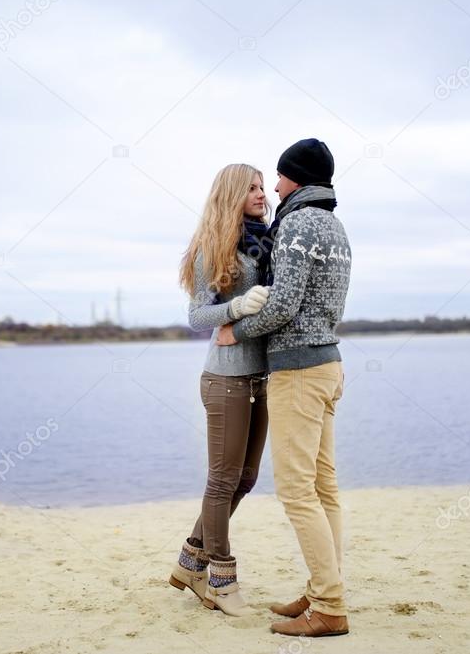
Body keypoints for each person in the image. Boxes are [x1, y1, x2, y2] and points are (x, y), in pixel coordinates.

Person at [216, 138, 352, 637]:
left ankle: (331, 606)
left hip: (297, 372)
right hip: (329, 364)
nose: (273, 187)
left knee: (297, 492)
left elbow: (284, 303)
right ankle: (324, 589)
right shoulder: (335, 225)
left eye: (277, 177)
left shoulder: (295, 224)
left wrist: (236, 329)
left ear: (295, 177)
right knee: (323, 488)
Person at [168, 163, 272, 617]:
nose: (261, 193)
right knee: (223, 480)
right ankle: (220, 582)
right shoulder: (212, 248)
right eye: (251, 187)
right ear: (231, 192)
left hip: (262, 377)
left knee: (245, 480)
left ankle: (190, 561)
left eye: (263, 186)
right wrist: (236, 306)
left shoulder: (265, 240)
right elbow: (197, 316)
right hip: (225, 379)